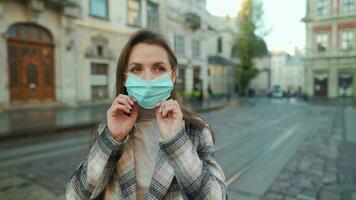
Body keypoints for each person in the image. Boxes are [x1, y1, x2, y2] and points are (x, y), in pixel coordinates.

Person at [66, 29, 227, 200]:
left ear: (172, 76)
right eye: (136, 69)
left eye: (159, 68)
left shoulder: (196, 130)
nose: (148, 78)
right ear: (125, 79)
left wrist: (176, 141)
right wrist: (112, 138)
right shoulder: (109, 128)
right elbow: (75, 195)